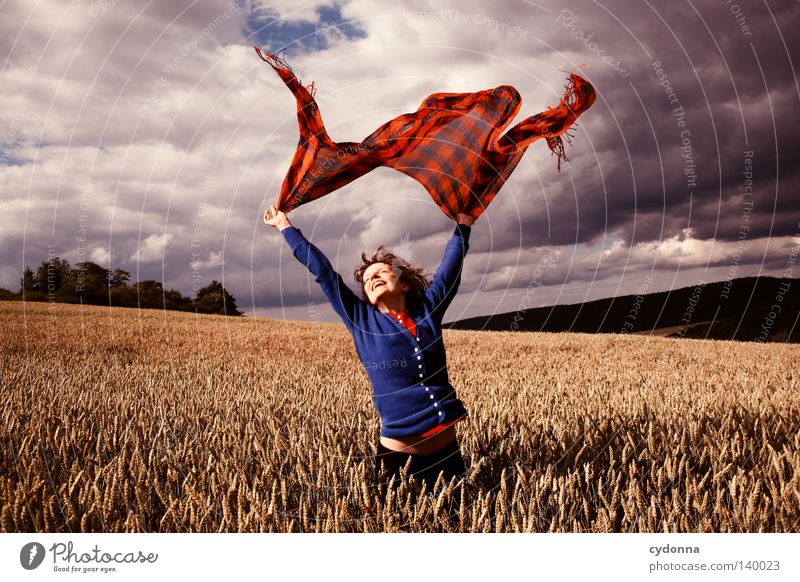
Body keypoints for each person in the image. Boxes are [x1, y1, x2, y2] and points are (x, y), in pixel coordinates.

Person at [264, 205, 475, 502]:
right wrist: (285, 226)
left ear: (402, 282)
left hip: (448, 456)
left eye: (380, 272)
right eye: (366, 280)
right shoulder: (361, 319)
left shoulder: (428, 310)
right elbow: (323, 272)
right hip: (399, 462)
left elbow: (451, 265)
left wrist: (464, 223)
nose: (371, 278)